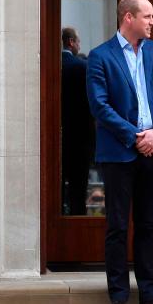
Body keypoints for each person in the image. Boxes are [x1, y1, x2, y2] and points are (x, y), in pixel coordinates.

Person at [86, 0, 153, 304]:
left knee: (145, 226)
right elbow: (99, 106)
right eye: (148, 16)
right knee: (116, 226)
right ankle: (119, 298)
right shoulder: (100, 56)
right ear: (128, 17)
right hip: (118, 153)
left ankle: (150, 299)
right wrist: (134, 136)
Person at [61, 27, 94, 215]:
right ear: (71, 42)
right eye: (78, 42)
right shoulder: (82, 67)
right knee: (78, 190)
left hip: (55, 137)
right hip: (80, 138)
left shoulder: (51, 65)